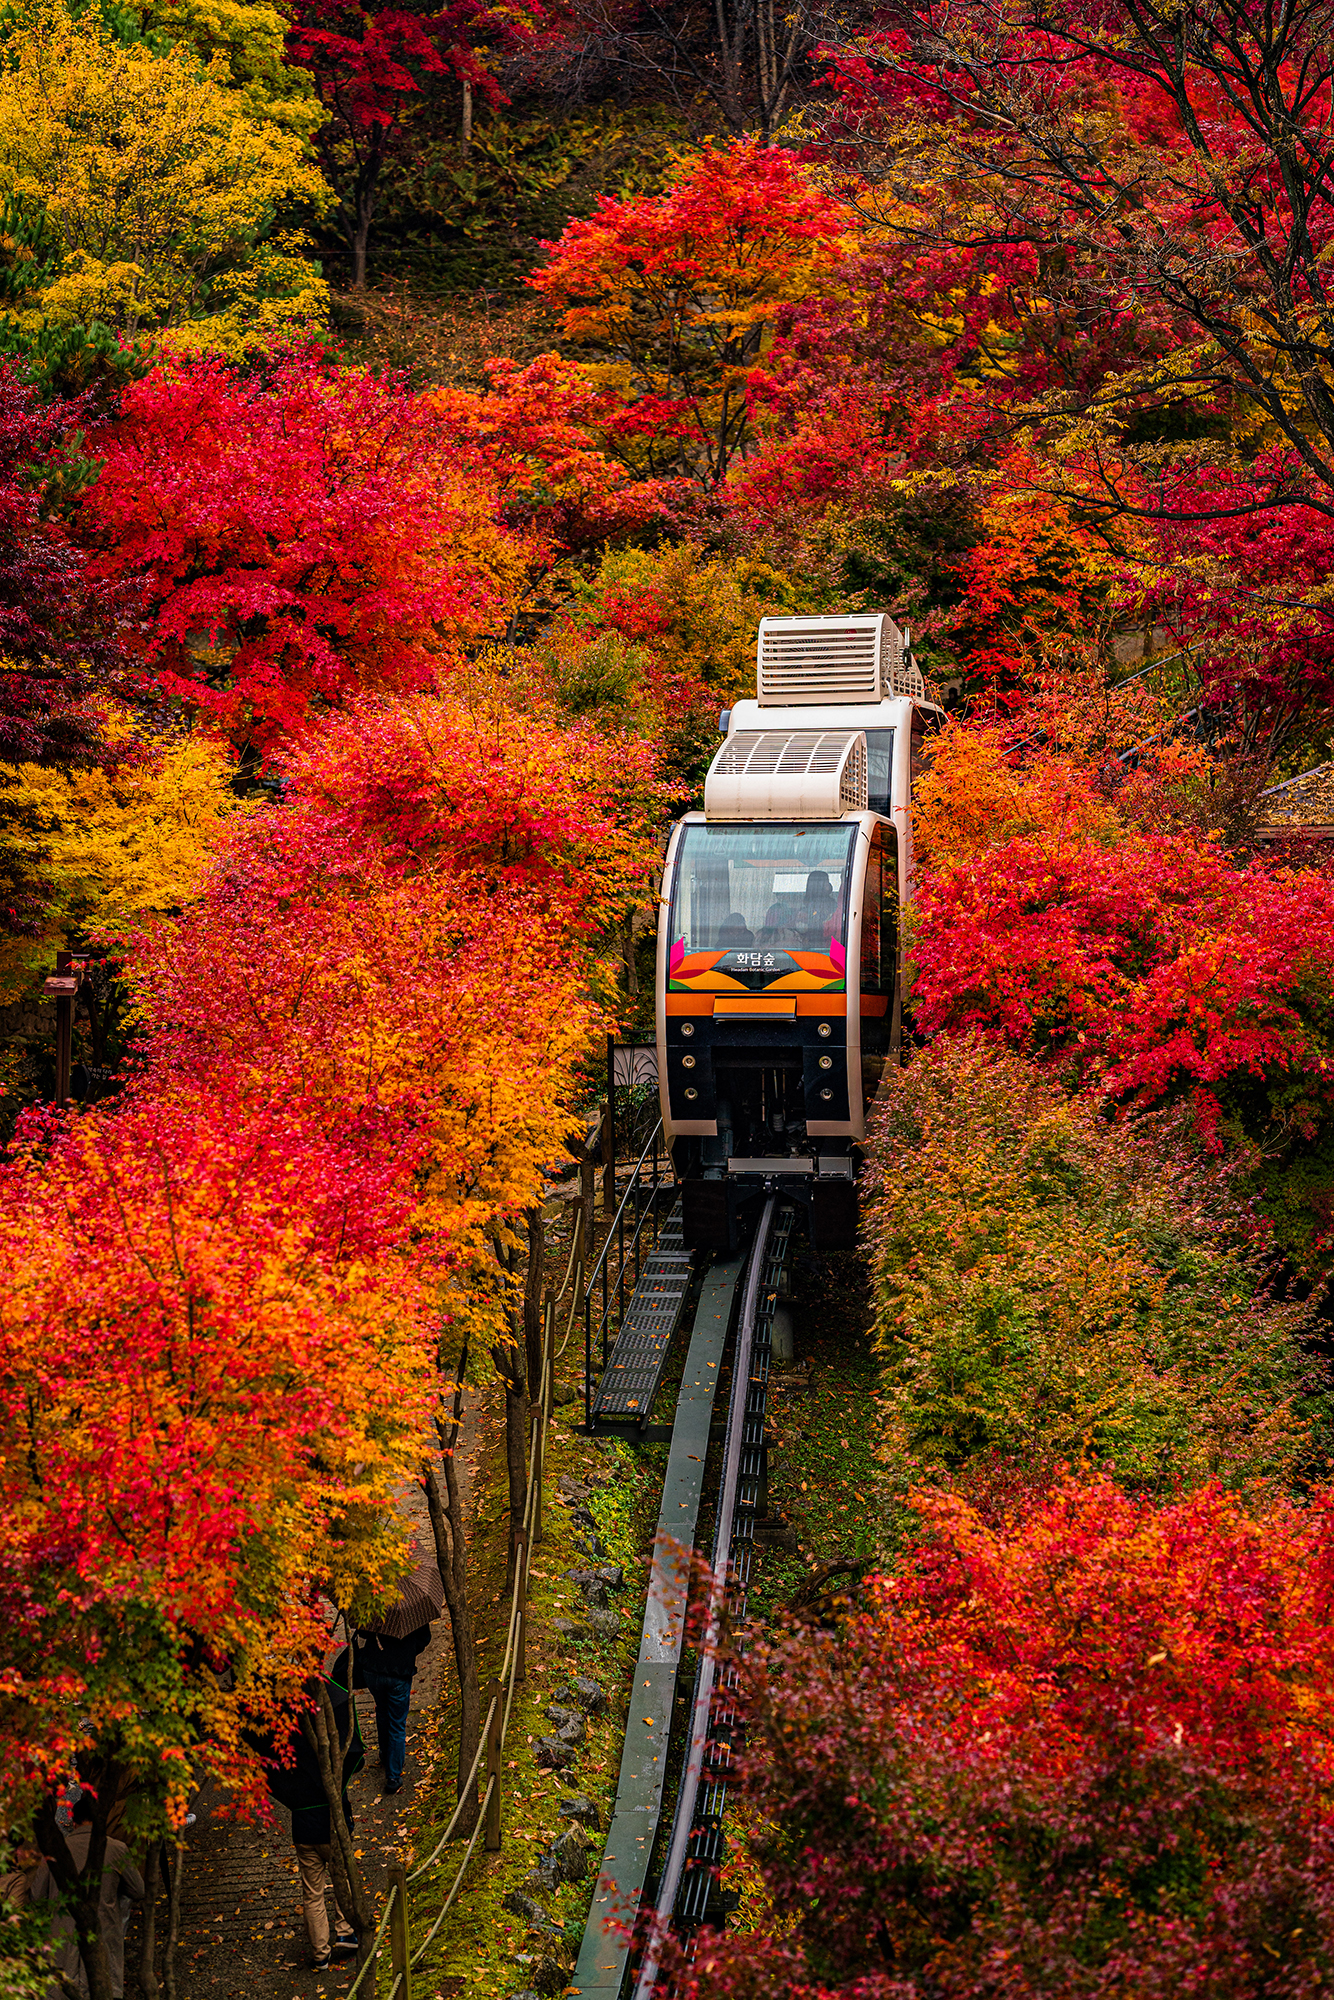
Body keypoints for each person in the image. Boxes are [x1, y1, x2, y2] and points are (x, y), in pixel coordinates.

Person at [258, 1647, 364, 1970]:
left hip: (303, 1819)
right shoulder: (335, 1699)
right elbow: (355, 1755)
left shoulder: (279, 1717)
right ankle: (347, 1933)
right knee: (342, 1878)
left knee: (312, 1890)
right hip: (334, 1817)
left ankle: (320, 1952)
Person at [30, 1795, 145, 2000]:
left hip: (63, 1945)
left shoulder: (54, 1851)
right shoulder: (117, 1849)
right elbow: (138, 1890)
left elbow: (37, 1895)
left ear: (73, 1821)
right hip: (103, 1940)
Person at [352, 1624, 431, 1795]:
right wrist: (407, 1651)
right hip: (399, 1673)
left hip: (373, 1669)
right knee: (397, 1722)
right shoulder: (413, 1609)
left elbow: (363, 1632)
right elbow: (424, 1638)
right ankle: (393, 1775)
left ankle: (385, 1752)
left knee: (382, 1710)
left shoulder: (376, 1601)